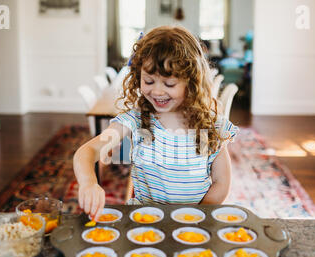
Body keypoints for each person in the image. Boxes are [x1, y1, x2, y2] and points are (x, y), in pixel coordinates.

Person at [73, 26, 238, 220]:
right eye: (149, 81)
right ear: (138, 76)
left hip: (193, 223)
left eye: (169, 84)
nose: (158, 92)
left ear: (191, 81)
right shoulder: (136, 120)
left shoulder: (208, 125)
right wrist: (89, 182)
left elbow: (221, 182)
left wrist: (196, 215)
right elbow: (87, 152)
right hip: (144, 221)